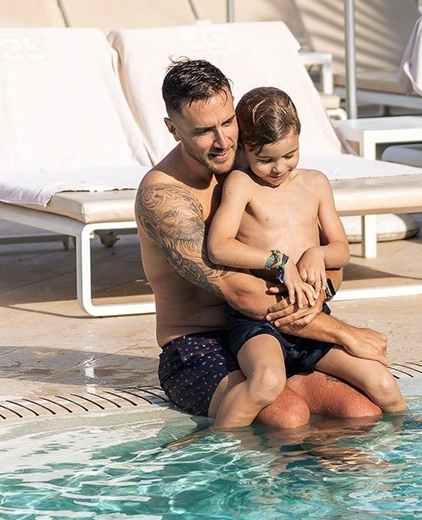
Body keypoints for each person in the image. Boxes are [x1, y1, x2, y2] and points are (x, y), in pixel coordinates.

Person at [136, 59, 389, 430]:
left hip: (280, 334)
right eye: (205, 131)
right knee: (288, 417)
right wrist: (343, 334)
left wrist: (318, 289)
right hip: (199, 344)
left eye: (227, 122)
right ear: (173, 129)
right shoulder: (165, 197)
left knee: (361, 413)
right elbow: (243, 295)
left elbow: (323, 253)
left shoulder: (258, 162)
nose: (222, 142)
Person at [202, 86, 406, 428]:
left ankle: (412, 435)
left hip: (314, 318)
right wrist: (279, 262)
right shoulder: (241, 184)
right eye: (265, 159)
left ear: (299, 138)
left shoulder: (315, 184)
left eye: (289, 154)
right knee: (267, 380)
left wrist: (317, 253)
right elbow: (218, 246)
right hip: (259, 323)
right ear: (244, 149)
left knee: (382, 382)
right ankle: (222, 453)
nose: (279, 168)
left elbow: (341, 249)